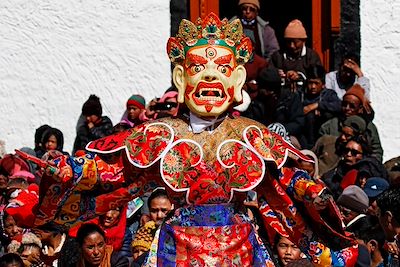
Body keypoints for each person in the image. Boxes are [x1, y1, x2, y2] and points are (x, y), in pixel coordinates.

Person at [19, 13, 358, 266]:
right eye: (199, 69)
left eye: (222, 70)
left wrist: (311, 191)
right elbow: (118, 174)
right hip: (177, 243)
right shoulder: (161, 134)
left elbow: (281, 183)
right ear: (181, 78)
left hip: (237, 243)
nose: (210, 75)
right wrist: (74, 169)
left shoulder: (251, 135)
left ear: (237, 79)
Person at [319, 84, 383, 162]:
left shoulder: (369, 128)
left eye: (352, 106)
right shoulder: (328, 127)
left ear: (360, 109)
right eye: (344, 104)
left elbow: (376, 152)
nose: (347, 108)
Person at [270, 19, 322, 91]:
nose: (292, 46)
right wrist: (277, 74)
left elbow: (318, 78)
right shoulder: (277, 56)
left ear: (303, 41)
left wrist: (299, 76)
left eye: (295, 42)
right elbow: (268, 75)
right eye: (288, 42)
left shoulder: (311, 56)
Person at [300, 65, 341, 148]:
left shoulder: (329, 94)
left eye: (316, 83)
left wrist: (318, 105)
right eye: (310, 83)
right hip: (304, 135)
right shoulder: (301, 95)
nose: (313, 87)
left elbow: (339, 106)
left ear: (323, 84)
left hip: (325, 136)